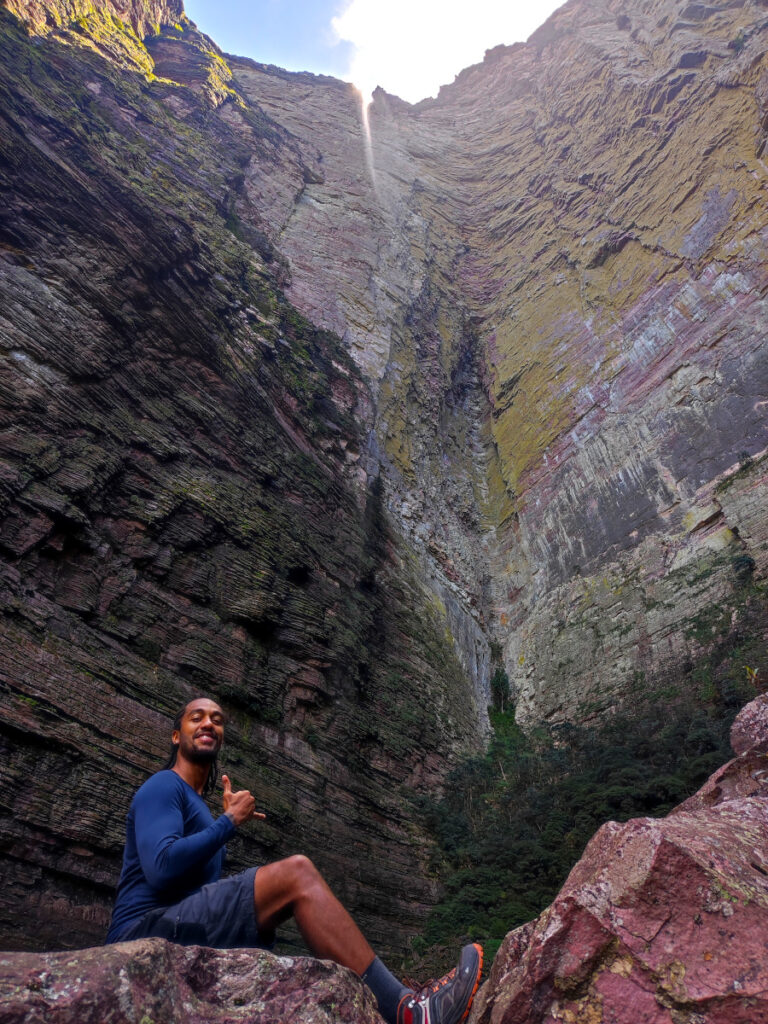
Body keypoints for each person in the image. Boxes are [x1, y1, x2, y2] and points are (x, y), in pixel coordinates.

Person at [106, 697, 483, 1024]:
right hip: (140, 936)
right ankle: (409, 1012)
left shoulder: (197, 806)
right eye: (197, 717)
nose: (209, 723)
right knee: (296, 874)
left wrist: (218, 824)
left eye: (218, 720)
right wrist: (227, 823)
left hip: (179, 933)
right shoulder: (163, 785)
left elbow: (199, 892)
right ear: (176, 736)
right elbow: (162, 867)